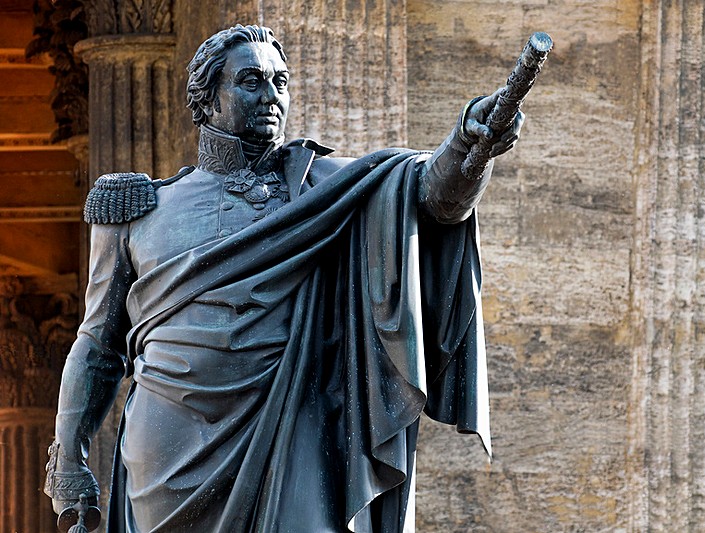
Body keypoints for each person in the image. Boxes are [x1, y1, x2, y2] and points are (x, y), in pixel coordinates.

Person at [45, 24, 523, 532]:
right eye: (250, 81)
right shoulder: (136, 209)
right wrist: (69, 459)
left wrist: (469, 144)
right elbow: (98, 344)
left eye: (280, 81)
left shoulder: (323, 187)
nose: (271, 95)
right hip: (167, 444)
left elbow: (428, 197)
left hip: (294, 418)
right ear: (208, 100)